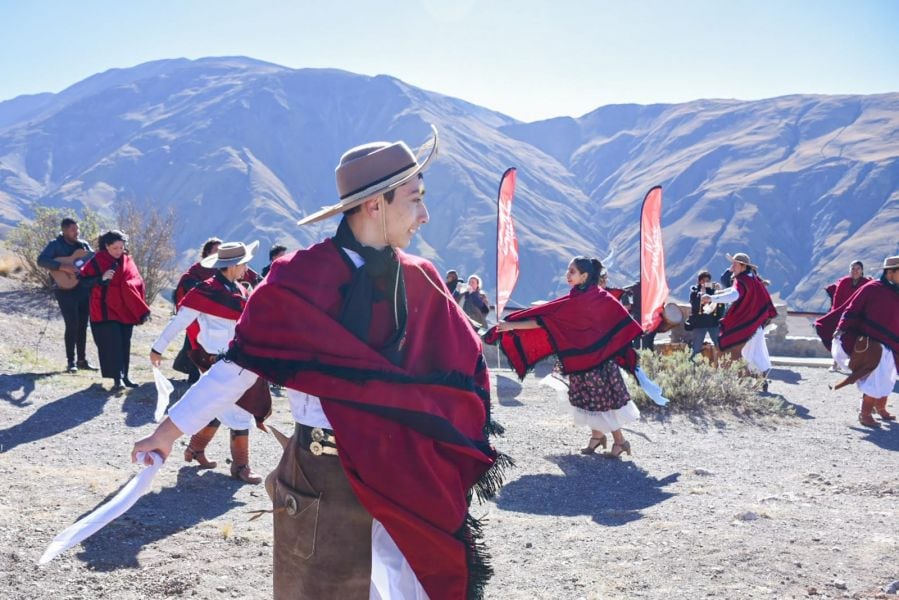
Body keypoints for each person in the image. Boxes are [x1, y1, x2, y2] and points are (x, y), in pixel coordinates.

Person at [132, 127, 505, 599]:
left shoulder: (422, 279)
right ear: (375, 205)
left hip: (406, 470)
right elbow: (239, 365)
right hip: (322, 474)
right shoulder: (297, 280)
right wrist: (166, 434)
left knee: (421, 585)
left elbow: (459, 372)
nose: (425, 215)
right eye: (414, 199)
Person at [487, 256, 647, 459]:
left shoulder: (601, 298)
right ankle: (597, 438)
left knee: (602, 402)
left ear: (584, 276)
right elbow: (545, 320)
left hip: (599, 362)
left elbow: (621, 321)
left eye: (572, 271)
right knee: (588, 401)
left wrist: (615, 347)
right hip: (580, 361)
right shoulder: (573, 299)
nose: (567, 275)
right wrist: (510, 326)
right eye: (568, 270)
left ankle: (620, 441)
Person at [150, 240, 271, 484]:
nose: (247, 267)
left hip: (241, 360)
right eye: (244, 263)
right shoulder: (205, 291)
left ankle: (195, 450)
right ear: (233, 266)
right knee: (239, 410)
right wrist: (158, 348)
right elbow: (180, 321)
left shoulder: (241, 290)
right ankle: (241, 466)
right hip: (217, 361)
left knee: (215, 406)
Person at [815, 255, 899, 428]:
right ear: (891, 272)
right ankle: (865, 413)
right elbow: (853, 307)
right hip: (872, 342)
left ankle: (880, 407)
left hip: (892, 342)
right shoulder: (872, 288)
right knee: (876, 376)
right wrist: (842, 327)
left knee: (888, 376)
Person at [78, 230, 151, 392]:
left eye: (121, 248)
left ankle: (125, 376)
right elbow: (82, 281)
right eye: (115, 248)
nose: (119, 251)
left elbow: (137, 281)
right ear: (106, 246)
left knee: (125, 343)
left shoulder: (128, 261)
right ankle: (117, 379)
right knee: (113, 345)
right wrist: (100, 279)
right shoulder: (97, 260)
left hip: (125, 310)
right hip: (105, 310)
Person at [702, 253, 778, 381]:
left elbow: (734, 295)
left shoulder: (742, 280)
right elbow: (734, 291)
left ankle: (744, 381)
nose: (732, 266)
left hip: (746, 328)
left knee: (737, 353)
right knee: (756, 355)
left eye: (735, 264)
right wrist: (720, 292)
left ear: (743, 266)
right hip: (755, 326)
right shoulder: (753, 280)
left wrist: (711, 298)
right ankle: (760, 380)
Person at [37, 217, 98, 372]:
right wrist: (63, 266)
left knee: (83, 325)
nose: (76, 232)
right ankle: (71, 362)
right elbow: (41, 260)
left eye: (77, 229)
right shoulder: (55, 245)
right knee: (72, 324)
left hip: (83, 289)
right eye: (72, 230)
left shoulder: (83, 245)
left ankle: (82, 360)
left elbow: (93, 260)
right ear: (64, 230)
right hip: (64, 290)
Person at [171, 237, 222, 383]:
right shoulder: (198, 268)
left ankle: (191, 370)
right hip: (197, 314)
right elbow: (187, 280)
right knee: (193, 344)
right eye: (216, 250)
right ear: (207, 252)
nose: (219, 253)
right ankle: (193, 377)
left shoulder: (223, 268)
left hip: (216, 315)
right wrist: (204, 289)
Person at [687, 271, 724, 359]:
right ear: (699, 281)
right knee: (696, 348)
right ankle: (691, 367)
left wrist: (719, 292)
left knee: (720, 346)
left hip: (713, 323)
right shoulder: (695, 292)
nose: (705, 283)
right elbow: (695, 306)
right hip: (700, 324)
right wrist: (701, 295)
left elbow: (720, 307)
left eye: (707, 281)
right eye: (703, 281)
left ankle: (724, 364)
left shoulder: (714, 292)